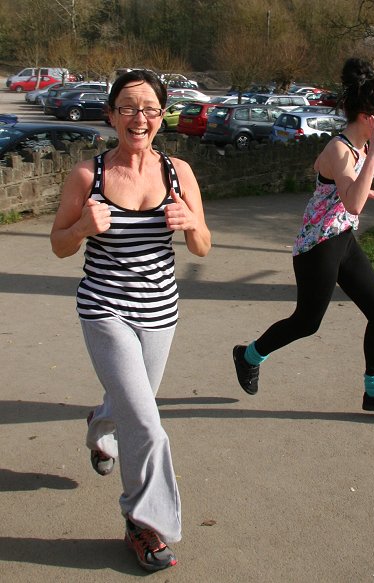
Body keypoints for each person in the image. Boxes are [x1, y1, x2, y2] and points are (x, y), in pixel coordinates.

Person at [50, 69, 211, 572]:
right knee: (146, 423)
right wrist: (81, 225)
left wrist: (189, 225)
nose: (138, 118)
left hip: (161, 312)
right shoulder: (87, 176)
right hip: (105, 309)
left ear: (162, 116)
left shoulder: (179, 173)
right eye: (127, 107)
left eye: (148, 108)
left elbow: (203, 245)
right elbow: (58, 244)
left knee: (128, 407)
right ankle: (144, 524)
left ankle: (101, 424)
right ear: (111, 114)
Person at [233, 58, 374, 413]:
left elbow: (349, 195)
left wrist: (367, 186)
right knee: (307, 322)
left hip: (343, 239)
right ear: (367, 117)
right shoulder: (339, 150)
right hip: (318, 246)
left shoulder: (359, 146)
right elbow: (353, 204)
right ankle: (248, 355)